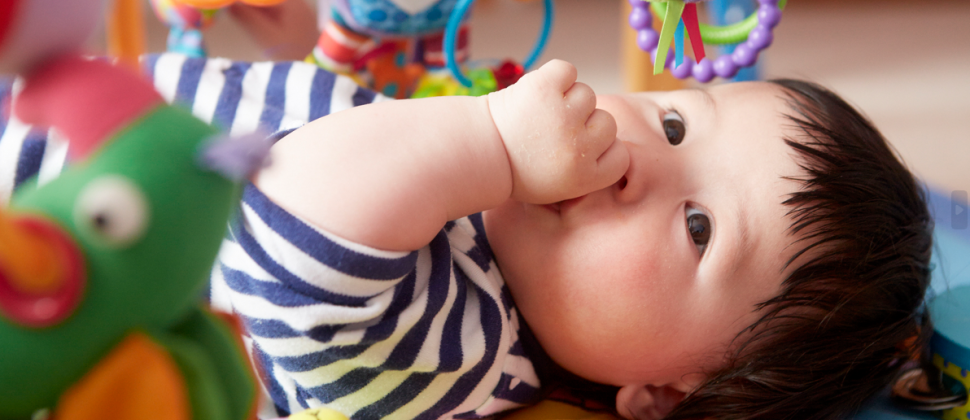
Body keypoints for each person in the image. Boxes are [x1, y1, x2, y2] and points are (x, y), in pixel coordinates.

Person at [0, 56, 931, 420]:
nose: (642, 148)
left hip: (41, 227)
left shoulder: (464, 369)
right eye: (680, 124)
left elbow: (290, 224)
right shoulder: (492, 231)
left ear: (666, 393)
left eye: (699, 227)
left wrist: (488, 141)